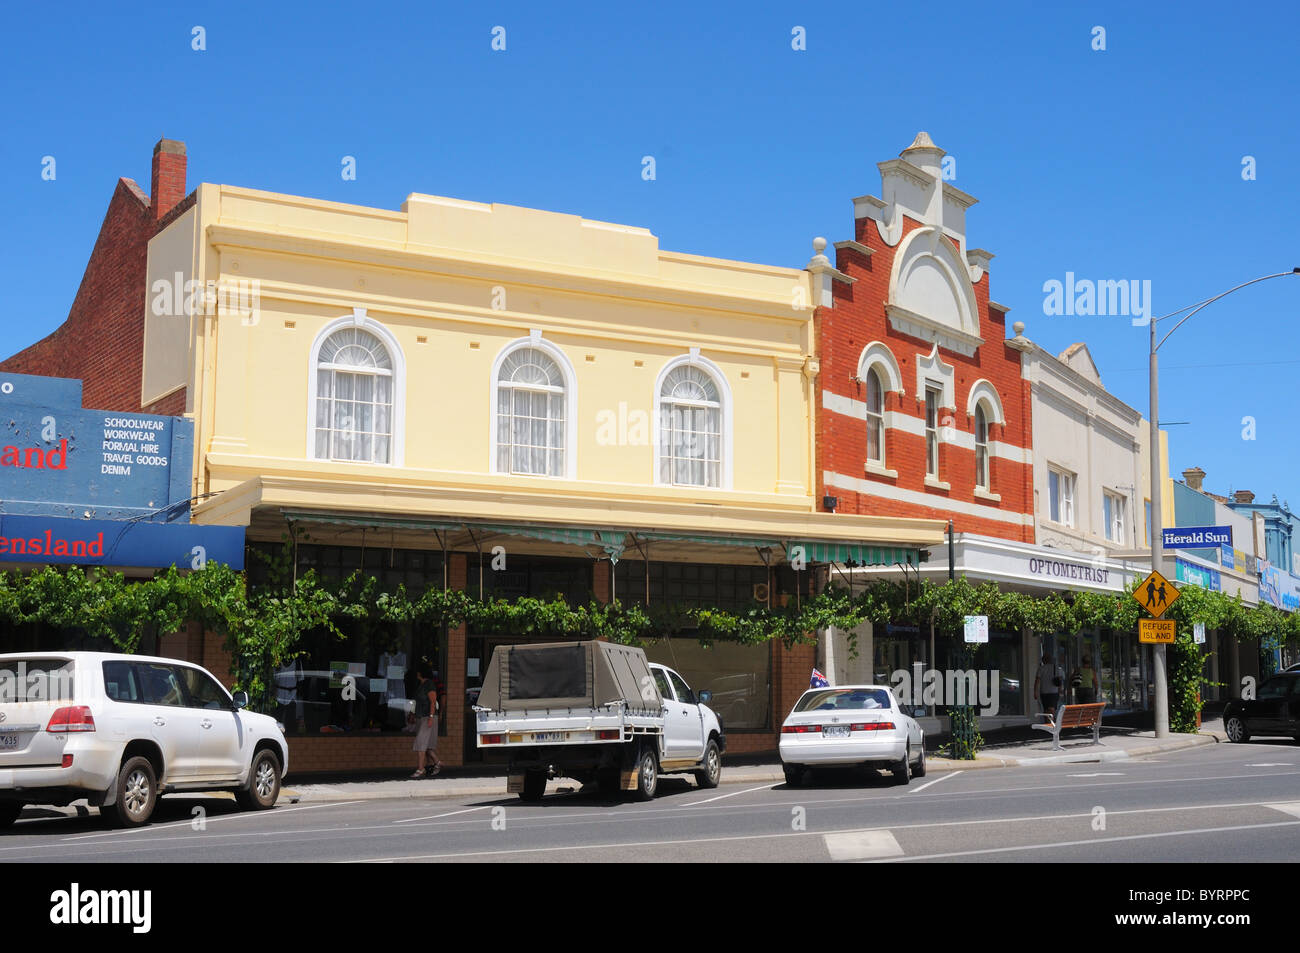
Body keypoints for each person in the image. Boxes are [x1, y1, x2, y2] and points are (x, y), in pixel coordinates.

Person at [410, 661, 443, 779]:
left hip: (428, 717)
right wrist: (413, 714)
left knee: (421, 743)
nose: (416, 673)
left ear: (421, 673)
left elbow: (433, 701)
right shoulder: (421, 685)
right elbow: (417, 702)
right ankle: (437, 762)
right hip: (421, 717)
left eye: (418, 671)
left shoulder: (429, 684)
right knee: (426, 745)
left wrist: (430, 717)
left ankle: (420, 769)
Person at [1034, 652, 1064, 721]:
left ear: (1043, 660)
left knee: (1046, 709)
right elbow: (1060, 680)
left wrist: (1035, 692)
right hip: (1054, 691)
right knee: (1052, 708)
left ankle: (1047, 722)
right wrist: (1060, 690)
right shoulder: (1056, 668)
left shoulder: (1041, 669)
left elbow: (1037, 681)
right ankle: (1051, 722)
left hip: (1044, 692)